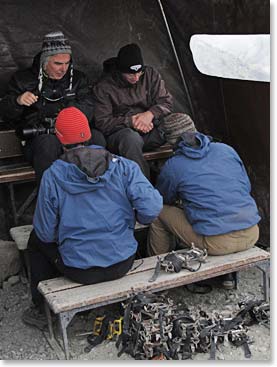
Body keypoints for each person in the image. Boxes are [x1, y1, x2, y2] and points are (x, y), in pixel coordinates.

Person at [22, 106, 163, 329]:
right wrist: (132, 217)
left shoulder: (52, 175)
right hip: (123, 262)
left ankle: (40, 309)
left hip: (79, 269)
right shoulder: (125, 167)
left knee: (35, 240)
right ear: (89, 134)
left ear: (59, 139)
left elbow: (46, 233)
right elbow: (152, 209)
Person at [147, 115, 261, 289]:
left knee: (158, 212)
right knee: (214, 213)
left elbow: (163, 198)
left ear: (170, 141)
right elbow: (245, 186)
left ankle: (158, 278)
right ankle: (227, 277)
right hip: (252, 232)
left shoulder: (174, 165)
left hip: (218, 243)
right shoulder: (226, 149)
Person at [0, 31, 106, 184]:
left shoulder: (78, 79)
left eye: (67, 63)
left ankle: (96, 191)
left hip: (73, 136)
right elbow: (6, 113)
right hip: (39, 139)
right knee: (48, 143)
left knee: (97, 138)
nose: (63, 69)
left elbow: (88, 108)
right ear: (45, 61)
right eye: (57, 64)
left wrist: (64, 120)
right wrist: (18, 101)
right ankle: (51, 197)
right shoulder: (23, 79)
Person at [92, 43, 174, 178]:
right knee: (131, 138)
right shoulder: (104, 87)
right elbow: (102, 123)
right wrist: (131, 121)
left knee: (182, 122)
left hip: (151, 129)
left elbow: (166, 101)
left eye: (139, 72)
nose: (136, 78)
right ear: (120, 70)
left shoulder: (150, 75)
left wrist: (150, 114)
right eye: (131, 74)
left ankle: (191, 181)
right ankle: (144, 192)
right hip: (121, 136)